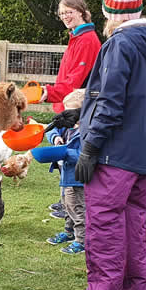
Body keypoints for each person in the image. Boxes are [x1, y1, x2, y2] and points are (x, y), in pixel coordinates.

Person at [59, 0, 146, 290]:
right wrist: (78, 115)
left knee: (103, 225)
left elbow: (111, 101)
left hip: (113, 154)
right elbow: (125, 97)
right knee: (132, 225)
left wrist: (90, 146)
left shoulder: (119, 44)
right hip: (138, 155)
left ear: (109, 11)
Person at [39, 0, 101, 217]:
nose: (65, 16)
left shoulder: (87, 40)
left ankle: (73, 207)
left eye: (69, 11)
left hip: (77, 108)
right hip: (67, 105)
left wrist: (49, 93)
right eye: (62, 13)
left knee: (73, 155)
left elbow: (75, 81)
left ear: (82, 12)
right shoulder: (76, 37)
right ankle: (66, 201)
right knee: (65, 153)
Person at [45, 89, 86, 254]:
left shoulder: (86, 132)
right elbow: (51, 131)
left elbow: (84, 156)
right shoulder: (67, 127)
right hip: (65, 175)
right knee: (66, 205)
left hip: (78, 177)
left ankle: (81, 240)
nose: (67, 114)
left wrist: (64, 152)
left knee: (78, 208)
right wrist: (55, 138)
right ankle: (69, 232)